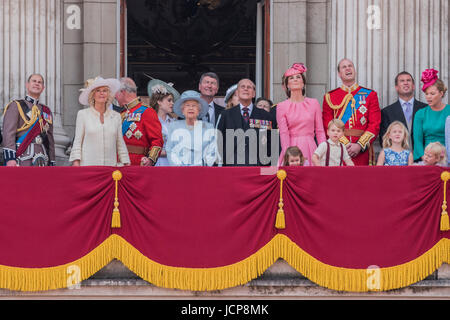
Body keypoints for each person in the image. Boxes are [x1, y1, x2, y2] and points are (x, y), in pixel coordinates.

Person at [322, 58, 381, 166]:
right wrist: (345, 144)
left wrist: (359, 145)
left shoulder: (370, 95)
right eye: (344, 67)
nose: (348, 68)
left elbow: (375, 124)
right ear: (339, 74)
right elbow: (327, 124)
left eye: (350, 66)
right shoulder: (330, 97)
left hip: (362, 151)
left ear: (355, 71)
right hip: (338, 150)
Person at [70, 77, 130, 166]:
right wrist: (76, 163)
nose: (102, 93)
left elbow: (120, 143)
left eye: (105, 90)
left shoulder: (116, 116)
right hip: (88, 167)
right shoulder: (83, 115)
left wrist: (126, 162)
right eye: (98, 90)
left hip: (110, 168)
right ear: (93, 95)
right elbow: (77, 142)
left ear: (108, 94)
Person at [217, 78, 275, 166]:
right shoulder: (226, 115)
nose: (246, 89)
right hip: (232, 166)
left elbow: (271, 142)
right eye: (242, 87)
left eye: (249, 87)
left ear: (254, 94)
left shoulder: (266, 116)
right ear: (237, 92)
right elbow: (219, 141)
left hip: (258, 166)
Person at [277, 63, 326, 166]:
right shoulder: (281, 106)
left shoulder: (314, 103)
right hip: (291, 147)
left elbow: (320, 131)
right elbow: (284, 133)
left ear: (303, 83)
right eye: (291, 78)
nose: (295, 79)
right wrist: (287, 154)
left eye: (298, 77)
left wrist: (323, 152)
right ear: (287, 85)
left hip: (311, 147)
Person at [2, 74, 55, 166]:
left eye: (40, 82)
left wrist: (52, 161)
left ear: (43, 88)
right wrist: (10, 158)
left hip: (43, 157)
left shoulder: (46, 111)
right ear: (27, 85)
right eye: (34, 81)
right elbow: (8, 133)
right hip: (22, 155)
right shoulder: (16, 105)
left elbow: (50, 139)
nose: (37, 84)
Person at [115, 77, 164, 166]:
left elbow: (157, 140)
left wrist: (150, 160)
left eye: (116, 93)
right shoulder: (121, 114)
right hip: (119, 163)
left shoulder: (147, 111)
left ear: (122, 92)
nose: (115, 97)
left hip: (138, 164)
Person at [166, 90, 217, 166]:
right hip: (179, 172)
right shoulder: (173, 127)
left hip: (202, 171)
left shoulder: (208, 127)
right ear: (182, 110)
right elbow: (170, 150)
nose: (191, 108)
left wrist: (200, 166)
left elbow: (212, 151)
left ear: (199, 110)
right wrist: (181, 167)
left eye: (194, 106)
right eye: (187, 105)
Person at [379, 71, 427, 149]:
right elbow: (384, 139)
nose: (406, 83)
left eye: (408, 80)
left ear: (413, 86)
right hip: (398, 159)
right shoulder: (386, 112)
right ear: (396, 87)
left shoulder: (425, 109)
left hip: (424, 158)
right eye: (402, 81)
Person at [413, 69, 450, 162]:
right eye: (426, 94)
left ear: (441, 93)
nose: (428, 97)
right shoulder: (420, 114)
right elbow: (417, 141)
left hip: (447, 159)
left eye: (432, 94)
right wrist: (425, 159)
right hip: (427, 160)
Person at [148, 79, 180, 167]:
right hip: (156, 164)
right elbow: (147, 147)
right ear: (159, 101)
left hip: (172, 164)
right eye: (169, 100)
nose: (172, 103)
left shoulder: (174, 122)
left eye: (172, 101)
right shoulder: (150, 121)